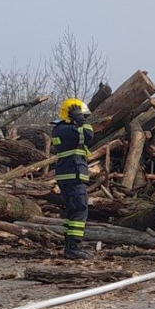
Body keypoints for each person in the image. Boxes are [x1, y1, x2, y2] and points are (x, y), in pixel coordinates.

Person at [50, 97, 94, 259]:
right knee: (80, 208)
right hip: (73, 175)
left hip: (69, 174)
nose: (84, 118)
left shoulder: (61, 129)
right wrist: (80, 120)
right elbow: (89, 134)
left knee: (73, 211)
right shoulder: (66, 130)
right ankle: (74, 247)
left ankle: (71, 245)